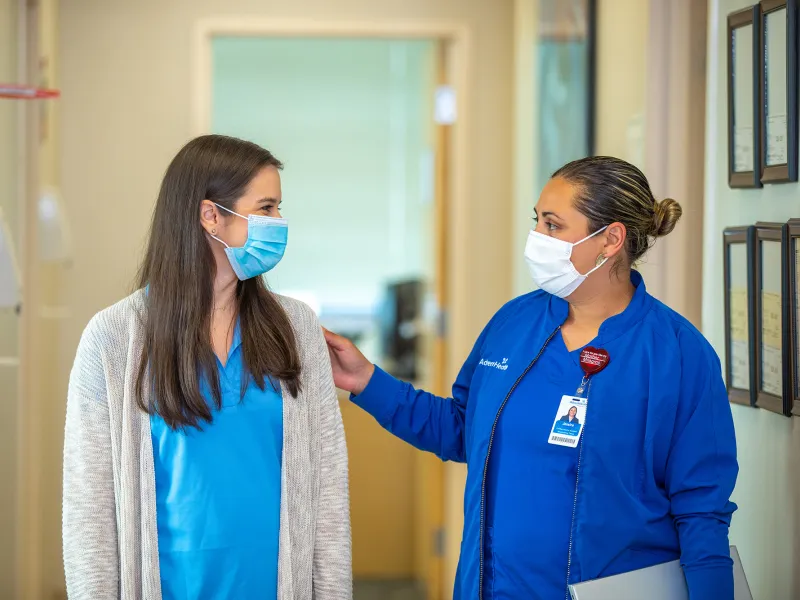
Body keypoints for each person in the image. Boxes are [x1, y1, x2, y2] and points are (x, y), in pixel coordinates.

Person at [324, 156, 738, 600]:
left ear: (611, 239)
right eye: (537, 221)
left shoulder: (677, 352)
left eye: (553, 225)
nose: (537, 238)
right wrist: (366, 380)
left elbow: (701, 511)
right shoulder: (515, 322)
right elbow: (463, 431)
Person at [63, 135, 352, 600]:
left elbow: (328, 496)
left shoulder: (295, 329)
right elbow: (89, 512)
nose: (279, 223)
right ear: (210, 215)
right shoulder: (114, 339)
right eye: (267, 207)